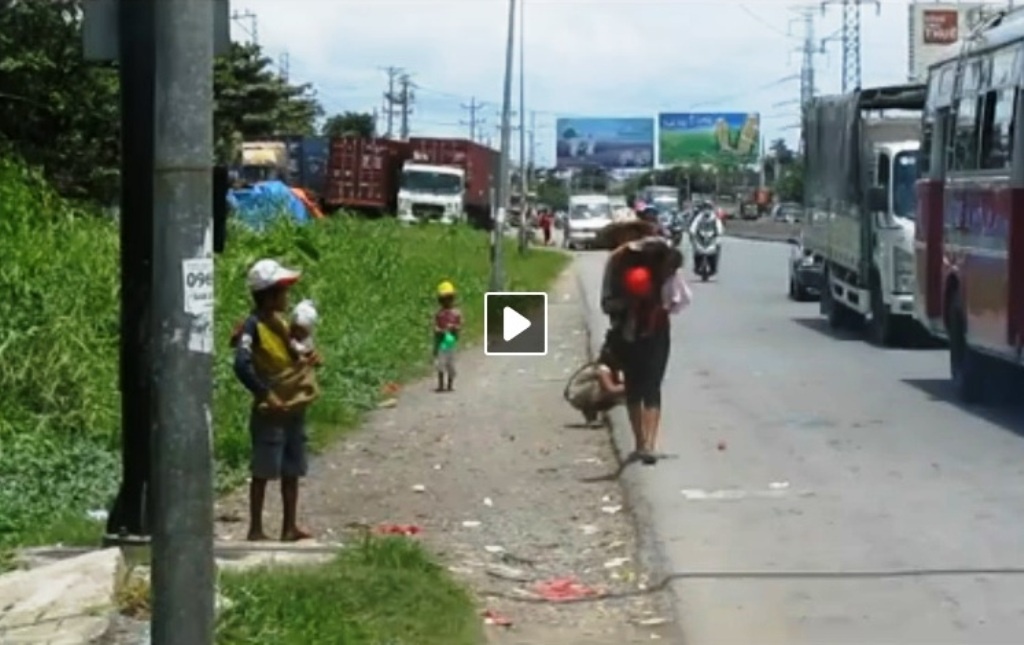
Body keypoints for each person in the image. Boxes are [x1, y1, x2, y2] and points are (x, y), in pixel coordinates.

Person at [232, 259, 322, 542]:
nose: (287, 298)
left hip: (292, 404)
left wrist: (308, 360)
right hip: (272, 406)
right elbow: (242, 365)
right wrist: (266, 395)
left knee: (291, 467)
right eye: (283, 292)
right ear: (269, 295)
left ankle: (289, 526)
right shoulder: (252, 326)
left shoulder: (280, 324)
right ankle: (256, 528)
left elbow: (294, 354)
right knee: (263, 467)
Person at [601, 237, 688, 465]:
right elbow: (606, 304)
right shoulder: (616, 265)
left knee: (652, 385)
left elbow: (676, 285)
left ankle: (648, 444)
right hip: (628, 333)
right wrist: (630, 301)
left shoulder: (660, 256)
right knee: (634, 387)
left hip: (657, 331)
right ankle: (640, 442)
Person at [565, 342, 626, 425]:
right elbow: (611, 388)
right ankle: (591, 415)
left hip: (580, 392)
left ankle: (593, 416)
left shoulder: (612, 369)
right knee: (604, 388)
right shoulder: (603, 368)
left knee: (616, 392)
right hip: (576, 394)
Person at [433, 280, 463, 391]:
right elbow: (435, 327)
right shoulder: (439, 314)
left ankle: (450, 385)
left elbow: (459, 327)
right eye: (444, 299)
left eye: (449, 299)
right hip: (441, 343)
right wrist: (439, 330)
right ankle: (441, 385)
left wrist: (453, 328)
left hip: (451, 343)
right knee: (440, 365)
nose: (447, 302)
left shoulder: (456, 313)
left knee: (451, 365)